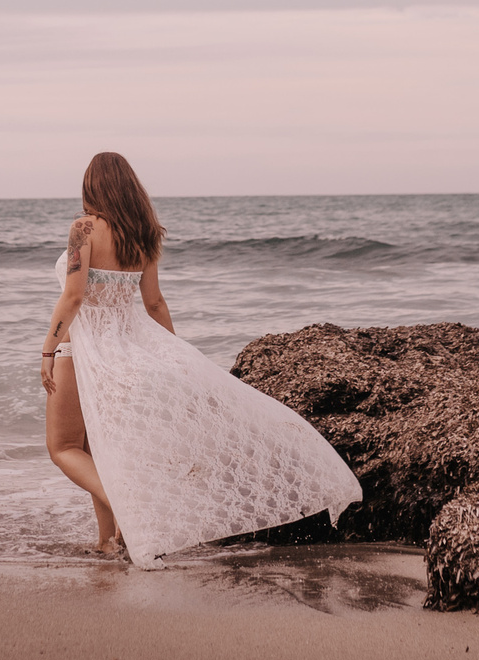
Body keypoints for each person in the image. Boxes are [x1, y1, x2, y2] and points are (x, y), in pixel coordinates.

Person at [39, 151, 362, 565]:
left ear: (92, 188)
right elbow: (153, 303)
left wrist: (48, 347)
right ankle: (108, 540)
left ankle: (128, 508)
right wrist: (173, 356)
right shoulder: (143, 234)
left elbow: (74, 296)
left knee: (63, 447)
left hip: (83, 349)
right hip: (127, 351)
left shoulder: (84, 228)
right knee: (94, 448)